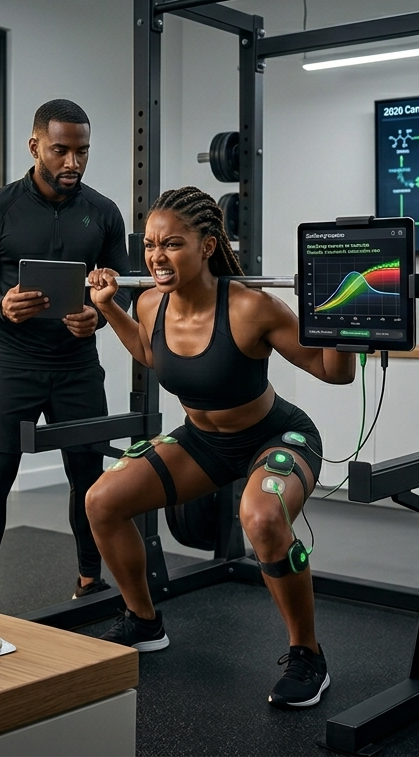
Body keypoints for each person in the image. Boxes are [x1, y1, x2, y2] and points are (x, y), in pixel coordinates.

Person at [84, 186, 356, 709]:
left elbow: (331, 371)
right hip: (202, 441)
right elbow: (149, 351)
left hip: (275, 436)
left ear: (207, 247)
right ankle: (143, 621)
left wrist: (346, 325)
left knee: (263, 519)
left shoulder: (253, 307)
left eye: (173, 245)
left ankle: (308, 656)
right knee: (102, 501)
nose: (157, 257)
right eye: (150, 246)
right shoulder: (146, 302)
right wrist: (107, 307)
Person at [0, 99, 130, 612]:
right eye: (60, 150)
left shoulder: (103, 212)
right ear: (35, 147)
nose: (72, 163)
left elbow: (129, 289)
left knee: (88, 477)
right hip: (13, 363)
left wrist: (100, 312)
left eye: (82, 152)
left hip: (77, 365)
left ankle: (89, 579)